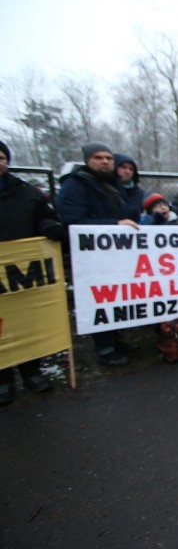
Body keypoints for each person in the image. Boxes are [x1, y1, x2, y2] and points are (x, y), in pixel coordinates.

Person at [55, 142, 141, 367]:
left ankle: (116, 339)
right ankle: (104, 348)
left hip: (116, 253)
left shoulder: (114, 185)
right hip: (91, 257)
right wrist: (114, 224)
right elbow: (73, 221)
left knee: (118, 296)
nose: (105, 162)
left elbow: (128, 214)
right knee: (100, 298)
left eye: (108, 158)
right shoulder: (74, 186)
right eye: (98, 158)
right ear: (87, 161)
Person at [0, 140, 65, 405]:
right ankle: (3, 379)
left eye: (1, 156)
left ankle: (32, 372)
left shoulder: (27, 192)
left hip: (24, 271)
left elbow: (44, 215)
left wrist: (49, 225)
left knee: (26, 320)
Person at [114, 153, 145, 220]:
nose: (127, 171)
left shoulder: (140, 193)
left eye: (131, 169)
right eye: (123, 167)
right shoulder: (107, 189)